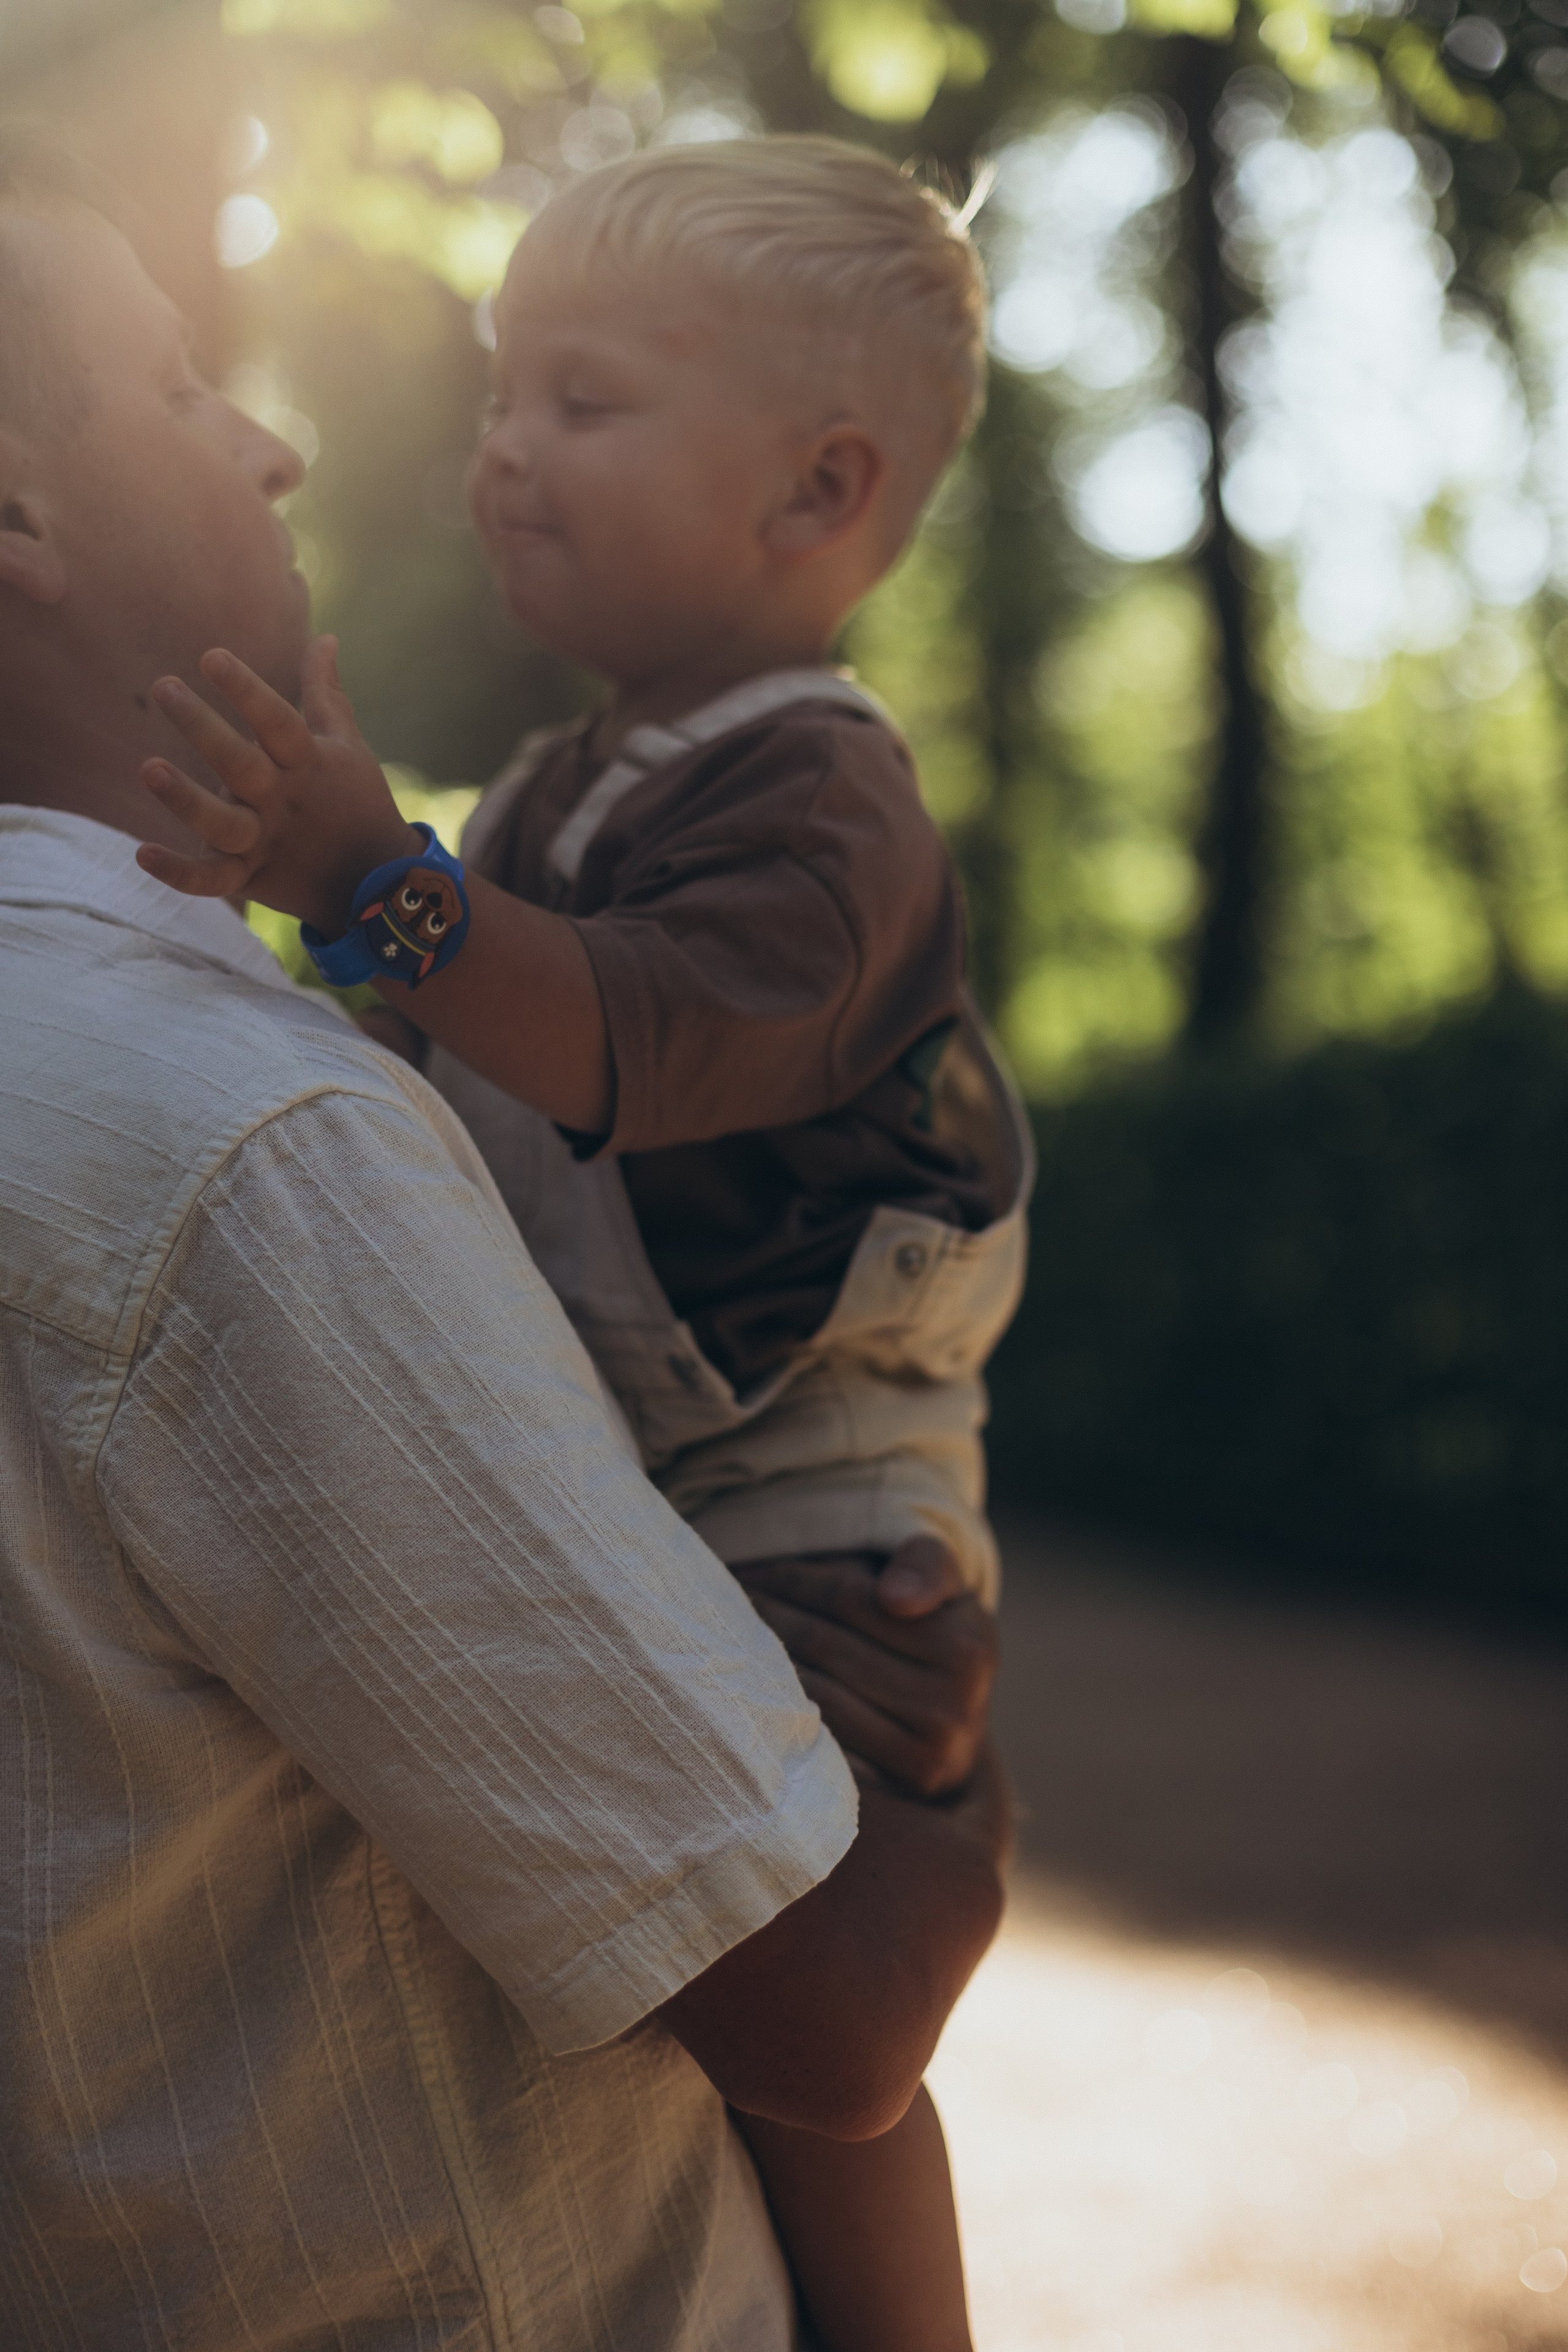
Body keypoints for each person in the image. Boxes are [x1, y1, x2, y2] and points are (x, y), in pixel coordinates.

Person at [0, 132, 1009, 2350]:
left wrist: (379, 890)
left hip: (805, 1469)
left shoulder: (820, 795)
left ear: (820, 493)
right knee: (838, 2031)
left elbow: (622, 1027)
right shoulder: (253, 1142)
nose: (286, 444)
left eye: (588, 403)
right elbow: (824, 1993)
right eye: (182, 387)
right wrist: (947, 1814)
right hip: (691, 1448)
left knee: (856, 2126)